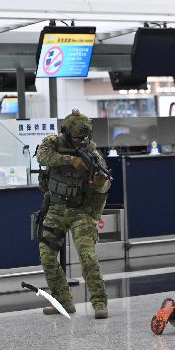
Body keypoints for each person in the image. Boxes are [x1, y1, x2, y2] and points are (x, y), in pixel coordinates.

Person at [36, 110, 112, 319]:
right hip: (56, 208)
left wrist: (100, 182)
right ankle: (63, 301)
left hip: (81, 211)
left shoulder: (91, 152)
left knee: (88, 256)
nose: (82, 141)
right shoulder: (53, 142)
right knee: (47, 255)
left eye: (86, 137)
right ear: (67, 133)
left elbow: (104, 184)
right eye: (78, 138)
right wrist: (70, 160)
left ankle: (99, 302)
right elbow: (42, 156)